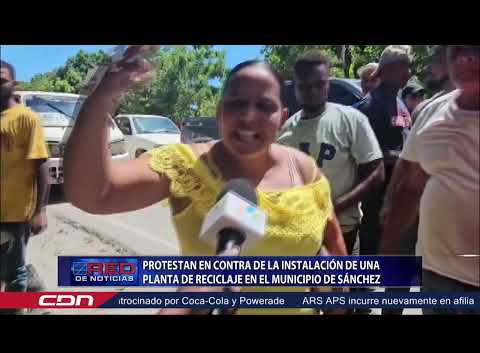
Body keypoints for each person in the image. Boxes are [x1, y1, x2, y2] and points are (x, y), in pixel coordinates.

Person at [63, 46, 348, 316]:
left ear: (283, 117)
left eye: (264, 106)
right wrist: (102, 98)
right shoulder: (185, 165)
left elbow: (332, 244)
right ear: (219, 111)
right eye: (237, 103)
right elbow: (94, 194)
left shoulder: (306, 170)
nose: (249, 116)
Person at [380, 45, 479, 315]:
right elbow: (410, 182)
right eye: (457, 50)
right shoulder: (431, 111)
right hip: (436, 277)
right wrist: (389, 243)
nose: (467, 57)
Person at [278, 50, 385, 256]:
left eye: (319, 84)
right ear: (296, 87)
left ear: (328, 83)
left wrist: (335, 207)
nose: (312, 91)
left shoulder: (351, 120)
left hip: (343, 230)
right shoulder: (285, 131)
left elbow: (376, 173)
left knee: (342, 287)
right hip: (299, 235)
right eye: (304, 86)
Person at [353, 46, 413, 315]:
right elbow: (367, 155)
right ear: (387, 69)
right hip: (377, 202)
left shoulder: (401, 104)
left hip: (403, 200)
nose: (409, 73)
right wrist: (406, 158)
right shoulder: (369, 106)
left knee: (400, 272)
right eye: (404, 66)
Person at [0, 61, 50, 314]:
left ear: (13, 84)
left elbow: (41, 164)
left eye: (1, 80)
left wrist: (40, 209)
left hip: (15, 213)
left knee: (14, 274)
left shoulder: (26, 118)